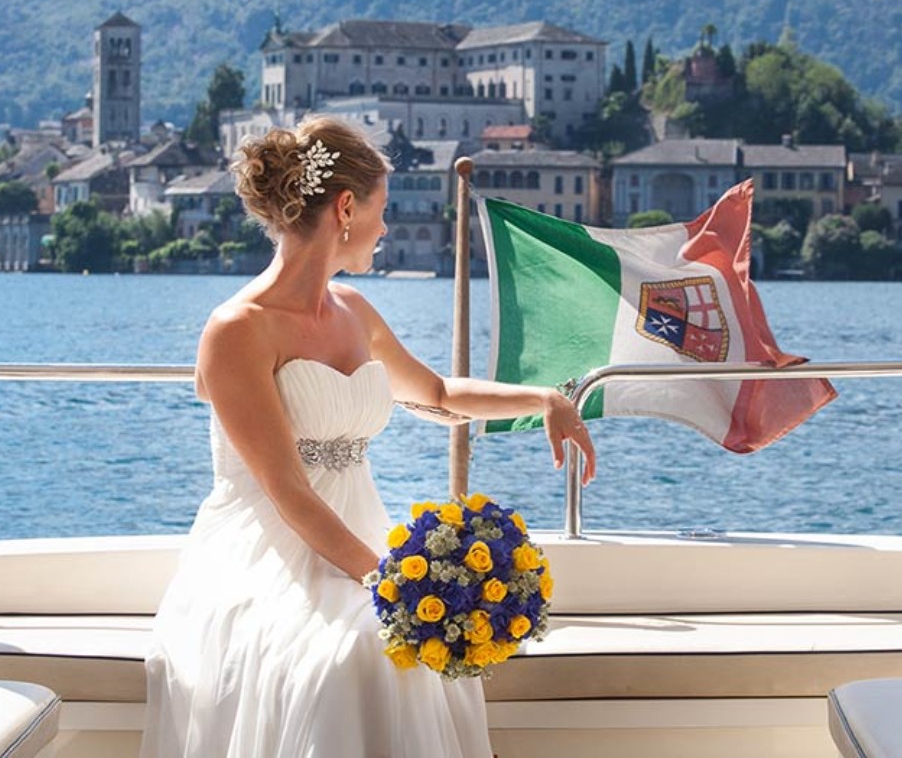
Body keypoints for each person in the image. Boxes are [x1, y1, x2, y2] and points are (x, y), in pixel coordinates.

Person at [141, 115, 597, 757]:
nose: (387, 229)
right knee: (362, 653)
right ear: (346, 208)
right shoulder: (237, 330)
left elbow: (436, 393)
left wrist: (545, 398)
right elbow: (287, 492)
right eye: (383, 211)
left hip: (359, 534)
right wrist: (390, 583)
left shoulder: (354, 310)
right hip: (270, 554)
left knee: (415, 647)